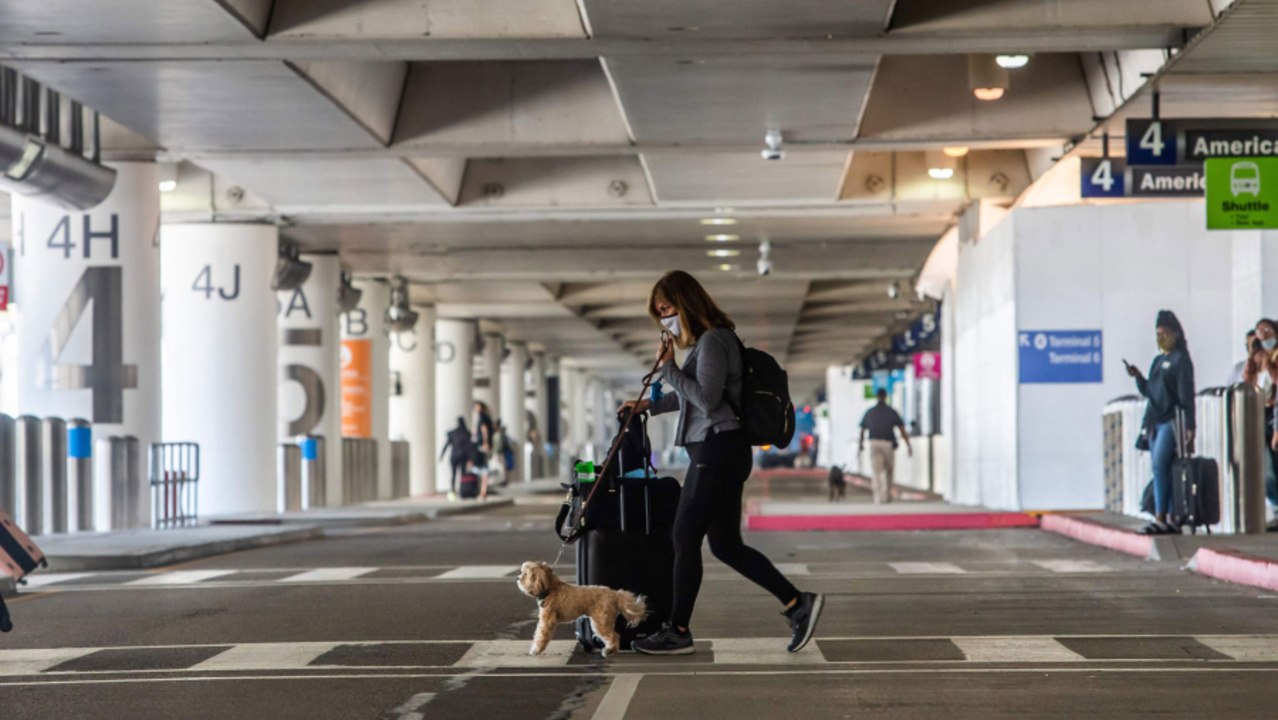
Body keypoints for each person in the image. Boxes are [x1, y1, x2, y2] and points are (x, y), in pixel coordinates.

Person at [621, 270, 822, 655]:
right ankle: (799, 604)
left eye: (667, 308)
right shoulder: (708, 344)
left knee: (683, 535)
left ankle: (677, 630)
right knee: (726, 545)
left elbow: (707, 399)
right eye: (660, 313)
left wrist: (668, 368)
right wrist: (648, 404)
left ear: (686, 302)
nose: (665, 319)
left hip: (718, 449)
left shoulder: (714, 341)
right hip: (720, 451)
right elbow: (691, 395)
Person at [1127, 310, 1196, 535]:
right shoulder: (1158, 361)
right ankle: (1163, 515)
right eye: (1158, 334)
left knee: (1161, 465)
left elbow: (1186, 395)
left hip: (1171, 420)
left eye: (1165, 333)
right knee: (1159, 469)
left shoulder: (1181, 360)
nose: (1161, 337)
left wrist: (1190, 425)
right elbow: (1151, 391)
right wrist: (1138, 377)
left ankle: (1163, 516)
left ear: (1176, 333)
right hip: (1155, 421)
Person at [858, 388, 913, 504]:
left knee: (876, 472)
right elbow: (902, 429)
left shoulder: (870, 412)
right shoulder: (891, 412)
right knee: (889, 471)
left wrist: (861, 444)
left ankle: (878, 497)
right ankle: (887, 495)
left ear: (877, 397)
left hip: (874, 443)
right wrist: (908, 445)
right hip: (887, 444)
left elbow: (862, 430)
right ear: (885, 397)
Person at [439, 417, 475, 498]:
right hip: (463, 456)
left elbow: (446, 445)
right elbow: (470, 447)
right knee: (462, 474)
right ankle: (460, 489)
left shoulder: (453, 433)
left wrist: (441, 456)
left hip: (454, 456)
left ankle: (453, 489)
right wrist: (471, 458)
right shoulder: (466, 433)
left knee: (454, 474)